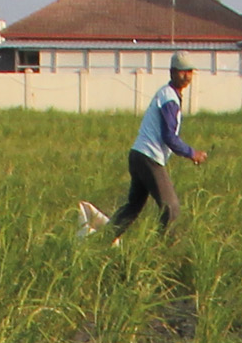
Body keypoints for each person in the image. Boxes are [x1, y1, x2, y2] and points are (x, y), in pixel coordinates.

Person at [83, 59, 208, 238]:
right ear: (172, 72)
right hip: (149, 157)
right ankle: (161, 248)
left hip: (138, 155)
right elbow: (169, 137)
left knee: (133, 207)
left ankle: (100, 242)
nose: (186, 76)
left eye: (189, 72)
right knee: (171, 209)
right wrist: (192, 153)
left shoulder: (168, 95)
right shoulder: (169, 98)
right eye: (182, 71)